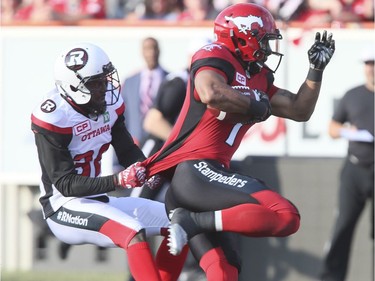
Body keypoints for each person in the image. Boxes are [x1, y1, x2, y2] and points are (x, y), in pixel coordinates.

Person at [126, 3, 335, 280]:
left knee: (224, 271)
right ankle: (191, 223)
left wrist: (315, 71)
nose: (268, 48)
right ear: (243, 35)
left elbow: (299, 110)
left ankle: (190, 223)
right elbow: (210, 91)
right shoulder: (215, 55)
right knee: (285, 215)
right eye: (264, 40)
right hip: (195, 173)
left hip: (205, 180)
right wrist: (252, 102)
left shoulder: (259, 77)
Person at [30, 42, 187, 281]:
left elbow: (126, 150)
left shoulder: (109, 105)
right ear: (73, 87)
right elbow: (65, 184)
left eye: (105, 79)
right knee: (134, 232)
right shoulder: (55, 116)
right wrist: (118, 180)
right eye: (96, 83)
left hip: (97, 200)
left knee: (182, 223)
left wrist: (149, 169)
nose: (105, 88)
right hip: (63, 207)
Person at [319, 45, 374, 281]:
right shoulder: (352, 95)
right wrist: (348, 132)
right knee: (342, 227)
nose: (371, 69)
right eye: (368, 64)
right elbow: (332, 128)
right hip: (355, 170)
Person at [121, 37, 169, 145]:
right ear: (142, 52)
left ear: (159, 50)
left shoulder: (170, 80)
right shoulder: (130, 82)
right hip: (135, 143)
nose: (151, 53)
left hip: (162, 144)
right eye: (147, 49)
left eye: (154, 48)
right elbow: (123, 116)